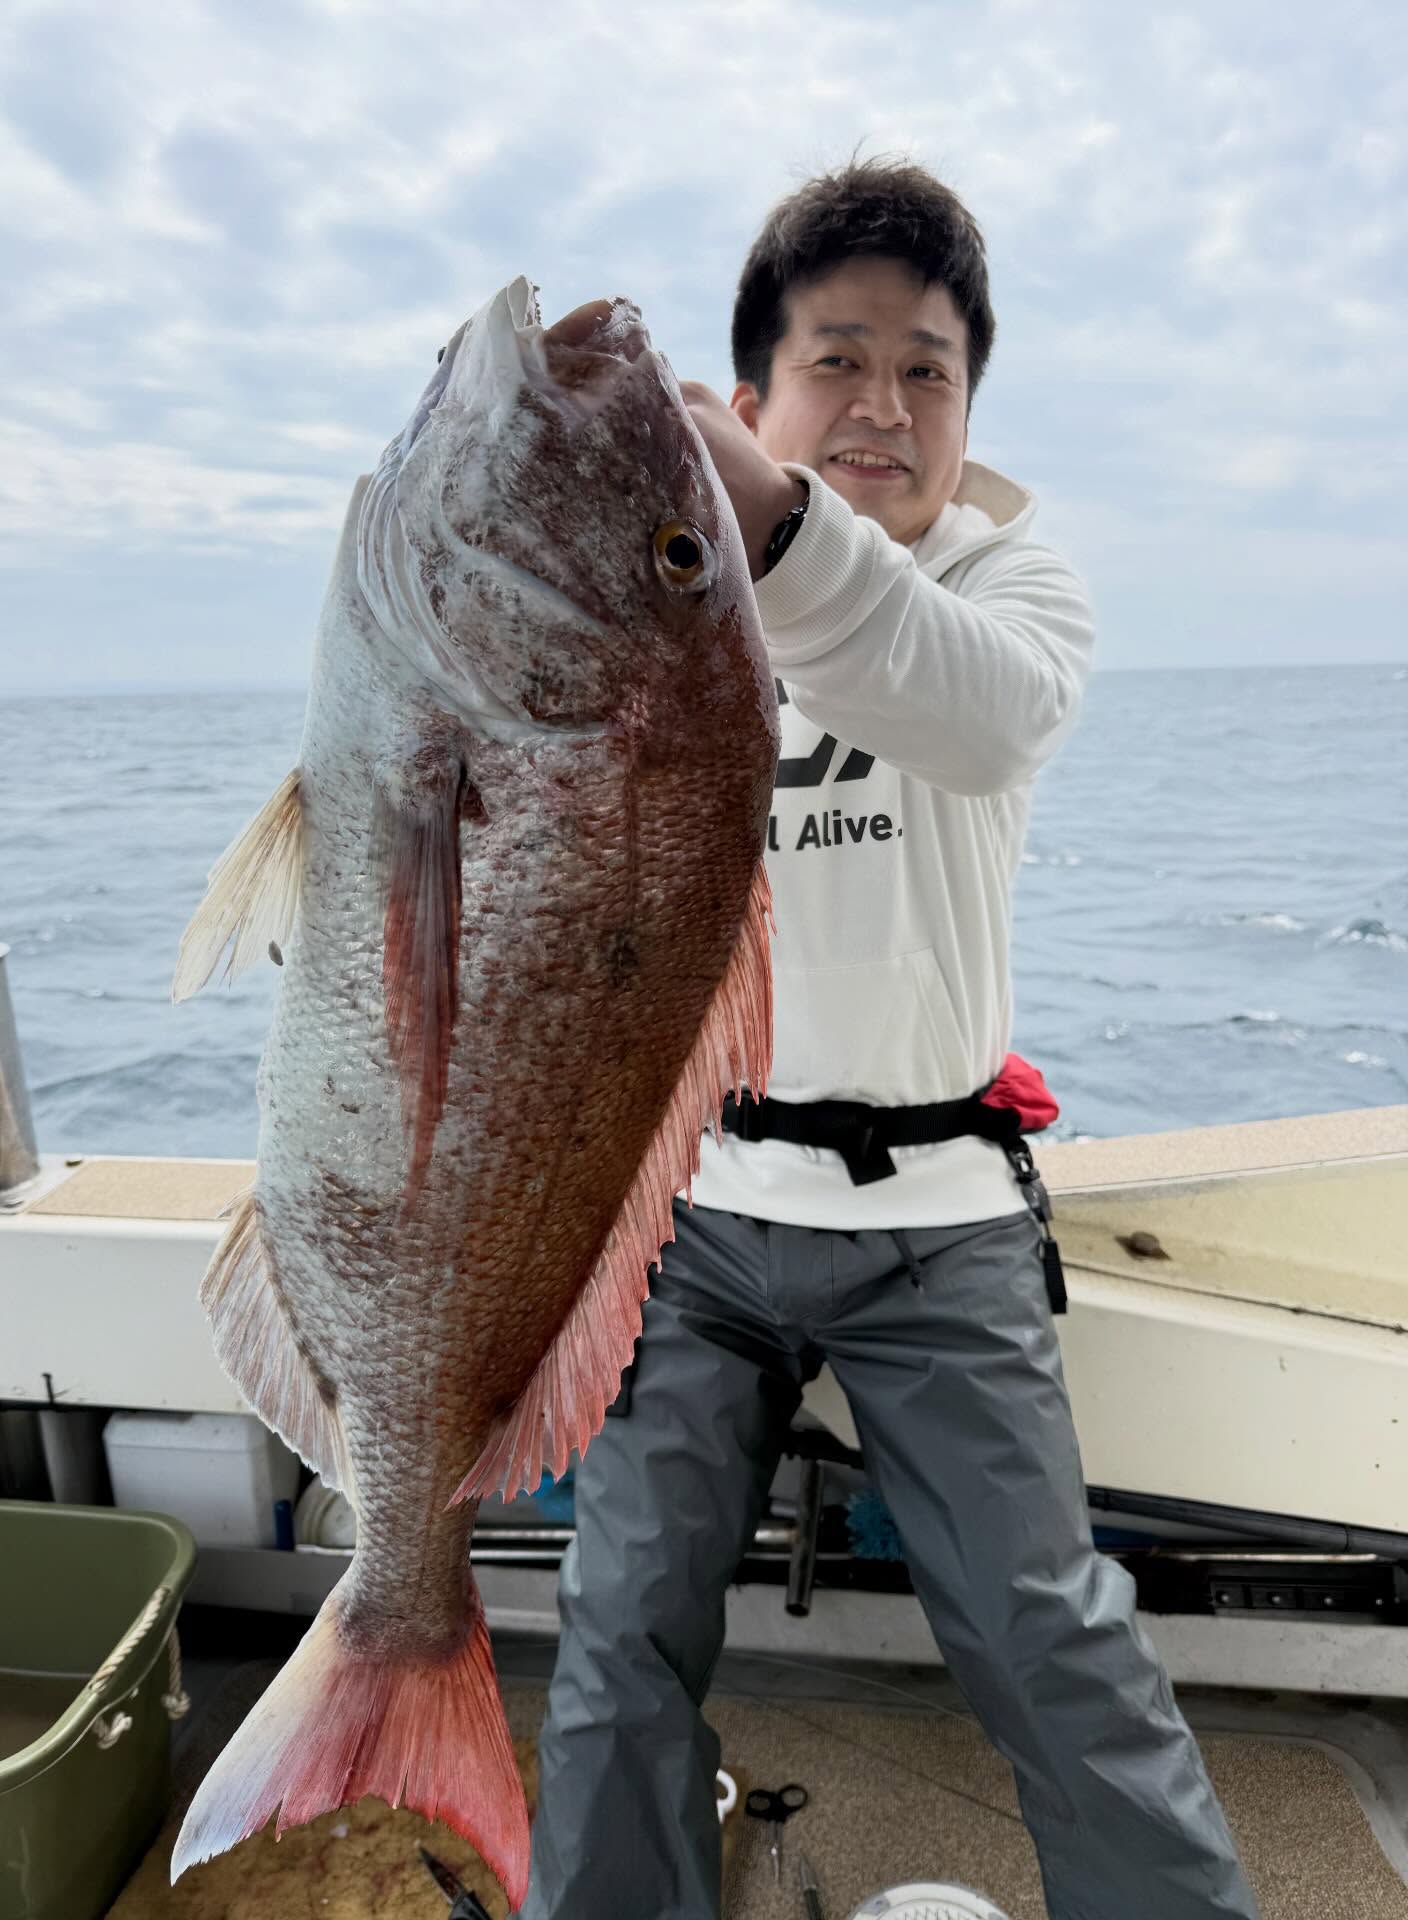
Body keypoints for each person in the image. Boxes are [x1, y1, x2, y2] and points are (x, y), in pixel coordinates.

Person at [520, 158, 1260, 1920]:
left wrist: (776, 531)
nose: (884, 404)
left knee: (1051, 1641)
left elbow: (978, 715)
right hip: (694, 1212)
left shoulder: (1019, 586)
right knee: (617, 1628)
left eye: (928, 369)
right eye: (836, 360)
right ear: (748, 394)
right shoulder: (647, 595)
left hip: (941, 1222)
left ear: (970, 409)